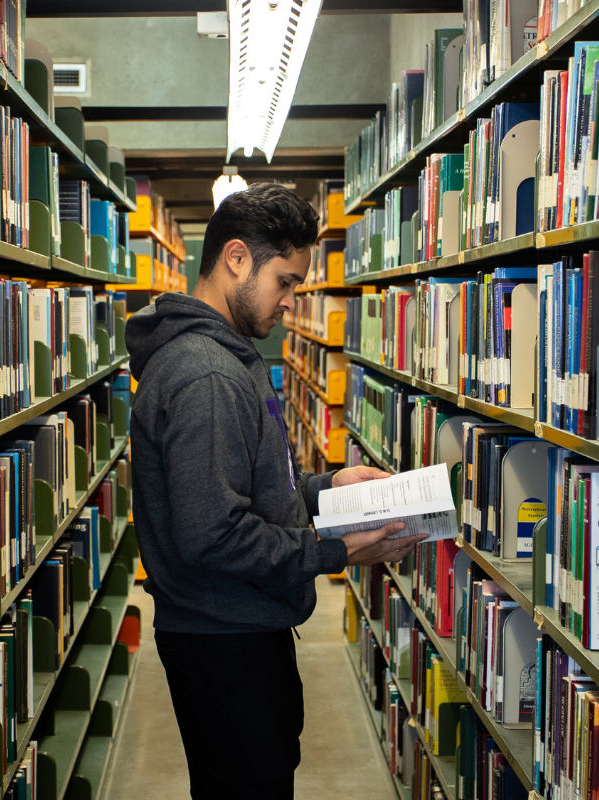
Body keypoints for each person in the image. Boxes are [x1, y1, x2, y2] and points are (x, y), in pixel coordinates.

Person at [125, 183, 427, 800]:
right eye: (285, 281)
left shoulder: (231, 360)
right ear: (237, 258)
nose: (293, 300)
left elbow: (252, 486)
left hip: (236, 631)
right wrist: (339, 551)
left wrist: (328, 488)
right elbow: (214, 534)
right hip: (225, 645)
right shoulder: (206, 374)